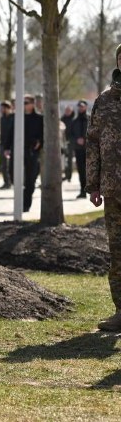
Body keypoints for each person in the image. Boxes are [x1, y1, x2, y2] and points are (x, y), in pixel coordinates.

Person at [88, 60, 121, 331]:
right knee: (117, 253)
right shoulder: (104, 100)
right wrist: (93, 184)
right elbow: (93, 142)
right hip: (112, 188)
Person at [3, 95, 43, 212]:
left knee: (30, 179)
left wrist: (39, 143)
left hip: (32, 151)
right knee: (13, 174)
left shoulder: (39, 118)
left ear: (32, 104)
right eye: (22, 103)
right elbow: (11, 133)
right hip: (17, 149)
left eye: (26, 103)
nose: (24, 105)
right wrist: (6, 147)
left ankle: (26, 204)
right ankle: (20, 198)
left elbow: (43, 135)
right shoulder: (17, 117)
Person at [71, 100, 89, 199]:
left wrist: (85, 140)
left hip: (90, 150)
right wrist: (77, 140)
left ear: (86, 107)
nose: (81, 108)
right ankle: (83, 191)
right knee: (81, 170)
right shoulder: (74, 121)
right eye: (79, 106)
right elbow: (70, 135)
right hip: (78, 149)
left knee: (91, 170)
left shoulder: (90, 119)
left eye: (82, 106)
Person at [0, 101, 14, 189]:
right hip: (3, 144)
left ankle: (13, 180)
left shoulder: (14, 118)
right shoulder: (2, 119)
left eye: (4, 108)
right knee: (4, 165)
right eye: (1, 108)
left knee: (12, 165)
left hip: (12, 144)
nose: (2, 110)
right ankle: (6, 182)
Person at [60, 104, 75, 183]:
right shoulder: (62, 119)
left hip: (70, 142)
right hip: (62, 142)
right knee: (62, 159)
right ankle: (64, 174)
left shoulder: (74, 120)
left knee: (69, 160)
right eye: (66, 110)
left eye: (69, 110)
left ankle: (69, 176)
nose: (67, 112)